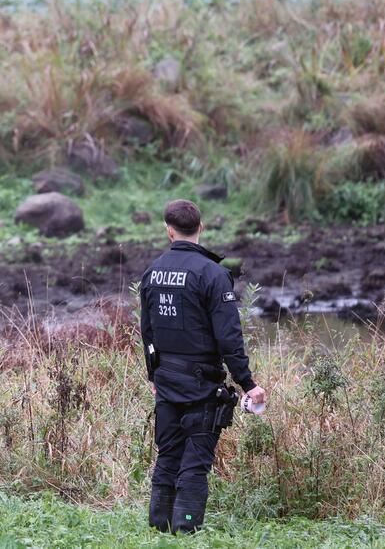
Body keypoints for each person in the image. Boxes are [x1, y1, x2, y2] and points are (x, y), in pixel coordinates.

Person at [139, 199, 267, 534]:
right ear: (202, 227)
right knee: (195, 462)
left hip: (166, 381)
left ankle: (159, 526)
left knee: (168, 454)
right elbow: (229, 337)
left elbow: (148, 331)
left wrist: (154, 374)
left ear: (169, 230)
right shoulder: (212, 273)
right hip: (201, 385)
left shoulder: (153, 272)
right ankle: (187, 527)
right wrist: (248, 384)